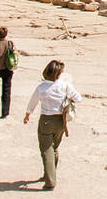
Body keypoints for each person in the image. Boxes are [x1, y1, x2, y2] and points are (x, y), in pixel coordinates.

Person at [24, 60, 81, 190]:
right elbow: (78, 98)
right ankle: (50, 173)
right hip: (61, 121)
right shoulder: (65, 86)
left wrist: (27, 114)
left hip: (46, 120)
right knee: (54, 148)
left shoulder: (42, 87)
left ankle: (50, 180)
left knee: (46, 149)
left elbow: (33, 102)